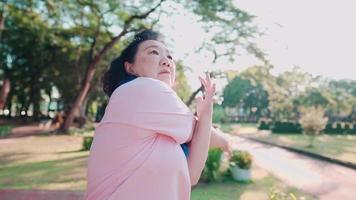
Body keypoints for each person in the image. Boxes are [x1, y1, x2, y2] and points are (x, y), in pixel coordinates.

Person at [85, 30, 232, 200]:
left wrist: (206, 115)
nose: (167, 61)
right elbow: (202, 133)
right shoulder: (141, 88)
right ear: (130, 67)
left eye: (169, 56)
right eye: (154, 52)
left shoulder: (154, 119)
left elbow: (191, 175)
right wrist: (226, 141)